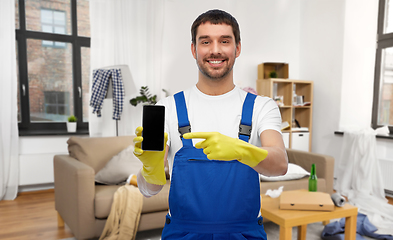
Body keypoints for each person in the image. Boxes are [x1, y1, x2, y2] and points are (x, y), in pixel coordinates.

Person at [133, 9, 288, 239]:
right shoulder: (166, 108)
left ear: (237, 48)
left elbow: (280, 164)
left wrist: (240, 150)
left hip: (244, 234)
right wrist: (152, 169)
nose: (215, 50)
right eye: (206, 41)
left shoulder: (261, 107)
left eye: (224, 41)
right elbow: (148, 190)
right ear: (194, 49)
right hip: (182, 234)